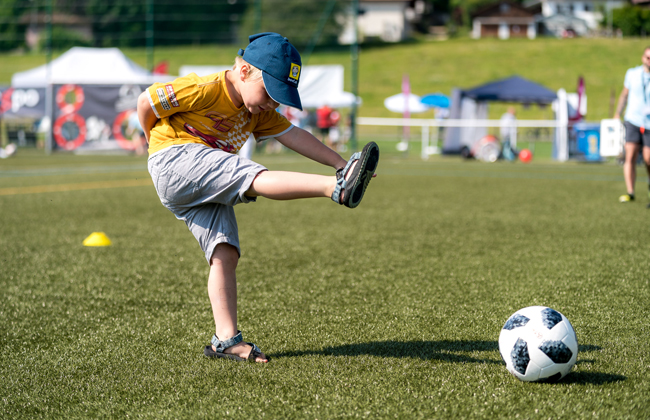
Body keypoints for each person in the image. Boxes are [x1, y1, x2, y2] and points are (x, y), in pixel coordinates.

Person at [137, 33, 379, 363]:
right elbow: (145, 104)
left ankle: (226, 340)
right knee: (252, 176)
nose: (271, 103)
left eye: (279, 98)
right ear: (245, 70)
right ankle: (335, 190)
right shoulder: (205, 87)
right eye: (269, 92)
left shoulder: (258, 113)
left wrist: (341, 163)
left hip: (199, 183)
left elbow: (294, 135)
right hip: (175, 160)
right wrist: (157, 145)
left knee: (224, 252)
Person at [614, 46, 650, 205]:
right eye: (647, 57)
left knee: (648, 158)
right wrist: (617, 113)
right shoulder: (632, 74)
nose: (649, 60)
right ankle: (630, 192)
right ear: (643, 57)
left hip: (649, 123)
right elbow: (624, 94)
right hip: (633, 120)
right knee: (630, 156)